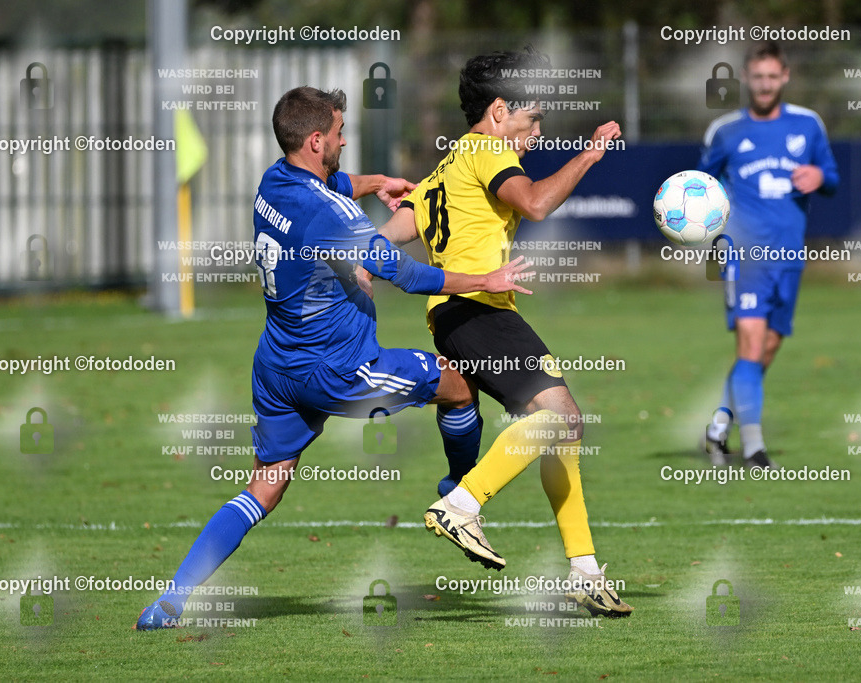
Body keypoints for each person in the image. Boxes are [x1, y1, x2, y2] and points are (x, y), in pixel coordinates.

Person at [136, 86, 533, 630]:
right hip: (341, 371)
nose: (345, 141)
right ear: (317, 139)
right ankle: (462, 494)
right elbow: (406, 273)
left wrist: (379, 183)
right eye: (341, 133)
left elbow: (335, 184)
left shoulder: (274, 182)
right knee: (458, 382)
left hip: (277, 369)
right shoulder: (334, 217)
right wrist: (485, 279)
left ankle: (170, 600)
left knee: (266, 485)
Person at [378, 47, 631, 618]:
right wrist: (590, 154)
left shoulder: (444, 167)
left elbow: (382, 240)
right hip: (480, 312)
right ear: (497, 112)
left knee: (561, 428)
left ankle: (585, 571)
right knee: (561, 419)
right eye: (531, 117)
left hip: (457, 317)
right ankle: (461, 505)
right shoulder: (489, 151)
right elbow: (536, 203)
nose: (537, 132)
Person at [699, 41, 839, 468]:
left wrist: (819, 175)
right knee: (751, 343)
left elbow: (831, 178)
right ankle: (756, 447)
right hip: (744, 255)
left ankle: (719, 426)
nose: (764, 85)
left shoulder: (808, 125)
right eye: (757, 77)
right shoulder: (725, 131)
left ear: (785, 77)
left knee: (768, 347)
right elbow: (698, 188)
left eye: (771, 77)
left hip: (790, 255)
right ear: (746, 79)